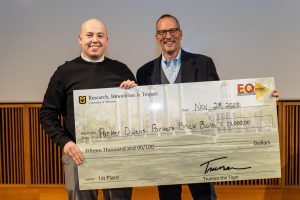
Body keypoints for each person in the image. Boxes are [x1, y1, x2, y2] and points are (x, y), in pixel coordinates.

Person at [39, 18, 136, 200]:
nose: (95, 40)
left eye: (100, 35)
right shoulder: (65, 72)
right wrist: (65, 143)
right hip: (77, 155)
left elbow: (137, 115)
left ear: (107, 40)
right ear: (80, 39)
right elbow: (47, 113)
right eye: (89, 35)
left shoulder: (121, 70)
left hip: (117, 154)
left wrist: (133, 95)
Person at [136, 14, 218, 200]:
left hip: (199, 148)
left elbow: (219, 100)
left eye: (172, 30)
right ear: (157, 37)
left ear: (180, 34)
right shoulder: (143, 73)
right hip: (164, 152)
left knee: (204, 196)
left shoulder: (204, 64)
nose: (168, 36)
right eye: (162, 32)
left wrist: (263, 98)